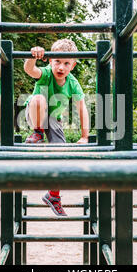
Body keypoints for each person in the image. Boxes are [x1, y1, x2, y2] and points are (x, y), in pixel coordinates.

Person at [23, 39, 90, 216]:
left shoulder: (73, 83)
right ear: (50, 61)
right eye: (57, 61)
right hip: (36, 113)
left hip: (54, 120)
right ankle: (37, 132)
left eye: (66, 63)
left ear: (73, 65)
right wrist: (32, 56)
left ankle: (53, 195)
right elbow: (30, 70)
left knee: (61, 156)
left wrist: (84, 136)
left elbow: (82, 108)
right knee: (39, 99)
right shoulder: (45, 74)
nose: (61, 67)